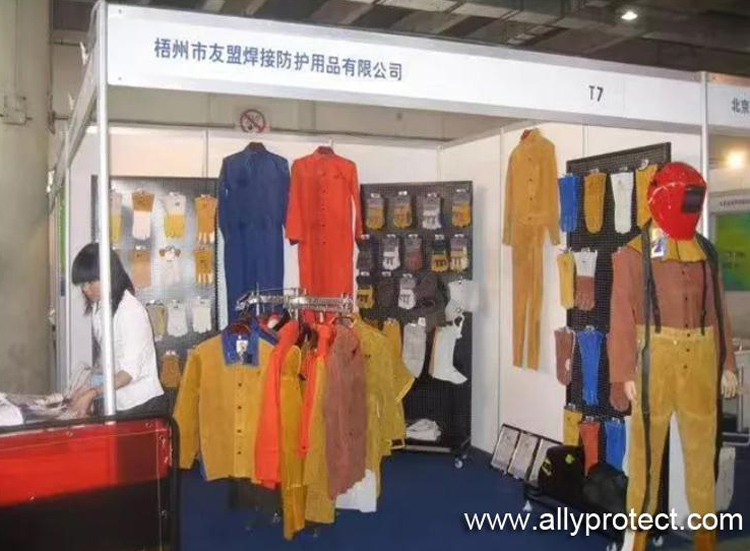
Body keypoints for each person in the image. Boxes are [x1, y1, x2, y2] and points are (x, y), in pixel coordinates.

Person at [69, 243, 165, 417]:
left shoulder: (130, 311)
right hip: (118, 400)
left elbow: (128, 373)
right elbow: (107, 357)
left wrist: (93, 393)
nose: (85, 289)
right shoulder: (99, 306)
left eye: (90, 282)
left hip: (141, 404)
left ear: (109, 275)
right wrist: (88, 386)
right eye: (82, 284)